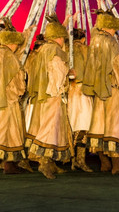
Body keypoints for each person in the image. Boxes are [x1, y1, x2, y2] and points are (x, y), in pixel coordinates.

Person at [82, 9, 119, 175]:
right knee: (115, 124)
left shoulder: (95, 40)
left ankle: (104, 162)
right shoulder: (111, 42)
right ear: (111, 27)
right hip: (112, 88)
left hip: (98, 88)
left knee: (100, 123)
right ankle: (117, 165)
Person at [0, 18, 33, 179]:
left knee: (11, 132)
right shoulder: (8, 56)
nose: (18, 46)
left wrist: (28, 31)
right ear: (11, 42)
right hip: (7, 100)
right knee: (0, 132)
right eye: (16, 43)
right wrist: (21, 88)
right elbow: (16, 77)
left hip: (0, 99)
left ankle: (10, 165)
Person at [25, 14, 73, 179]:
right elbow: (57, 72)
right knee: (50, 127)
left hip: (42, 93)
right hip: (52, 94)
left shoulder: (44, 49)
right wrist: (68, 74)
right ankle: (44, 162)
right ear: (59, 38)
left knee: (51, 126)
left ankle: (51, 162)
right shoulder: (55, 50)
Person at [67, 28, 93, 173]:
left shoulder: (67, 49)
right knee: (83, 125)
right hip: (83, 91)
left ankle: (72, 160)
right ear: (83, 38)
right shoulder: (86, 50)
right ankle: (80, 160)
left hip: (71, 91)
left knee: (72, 125)